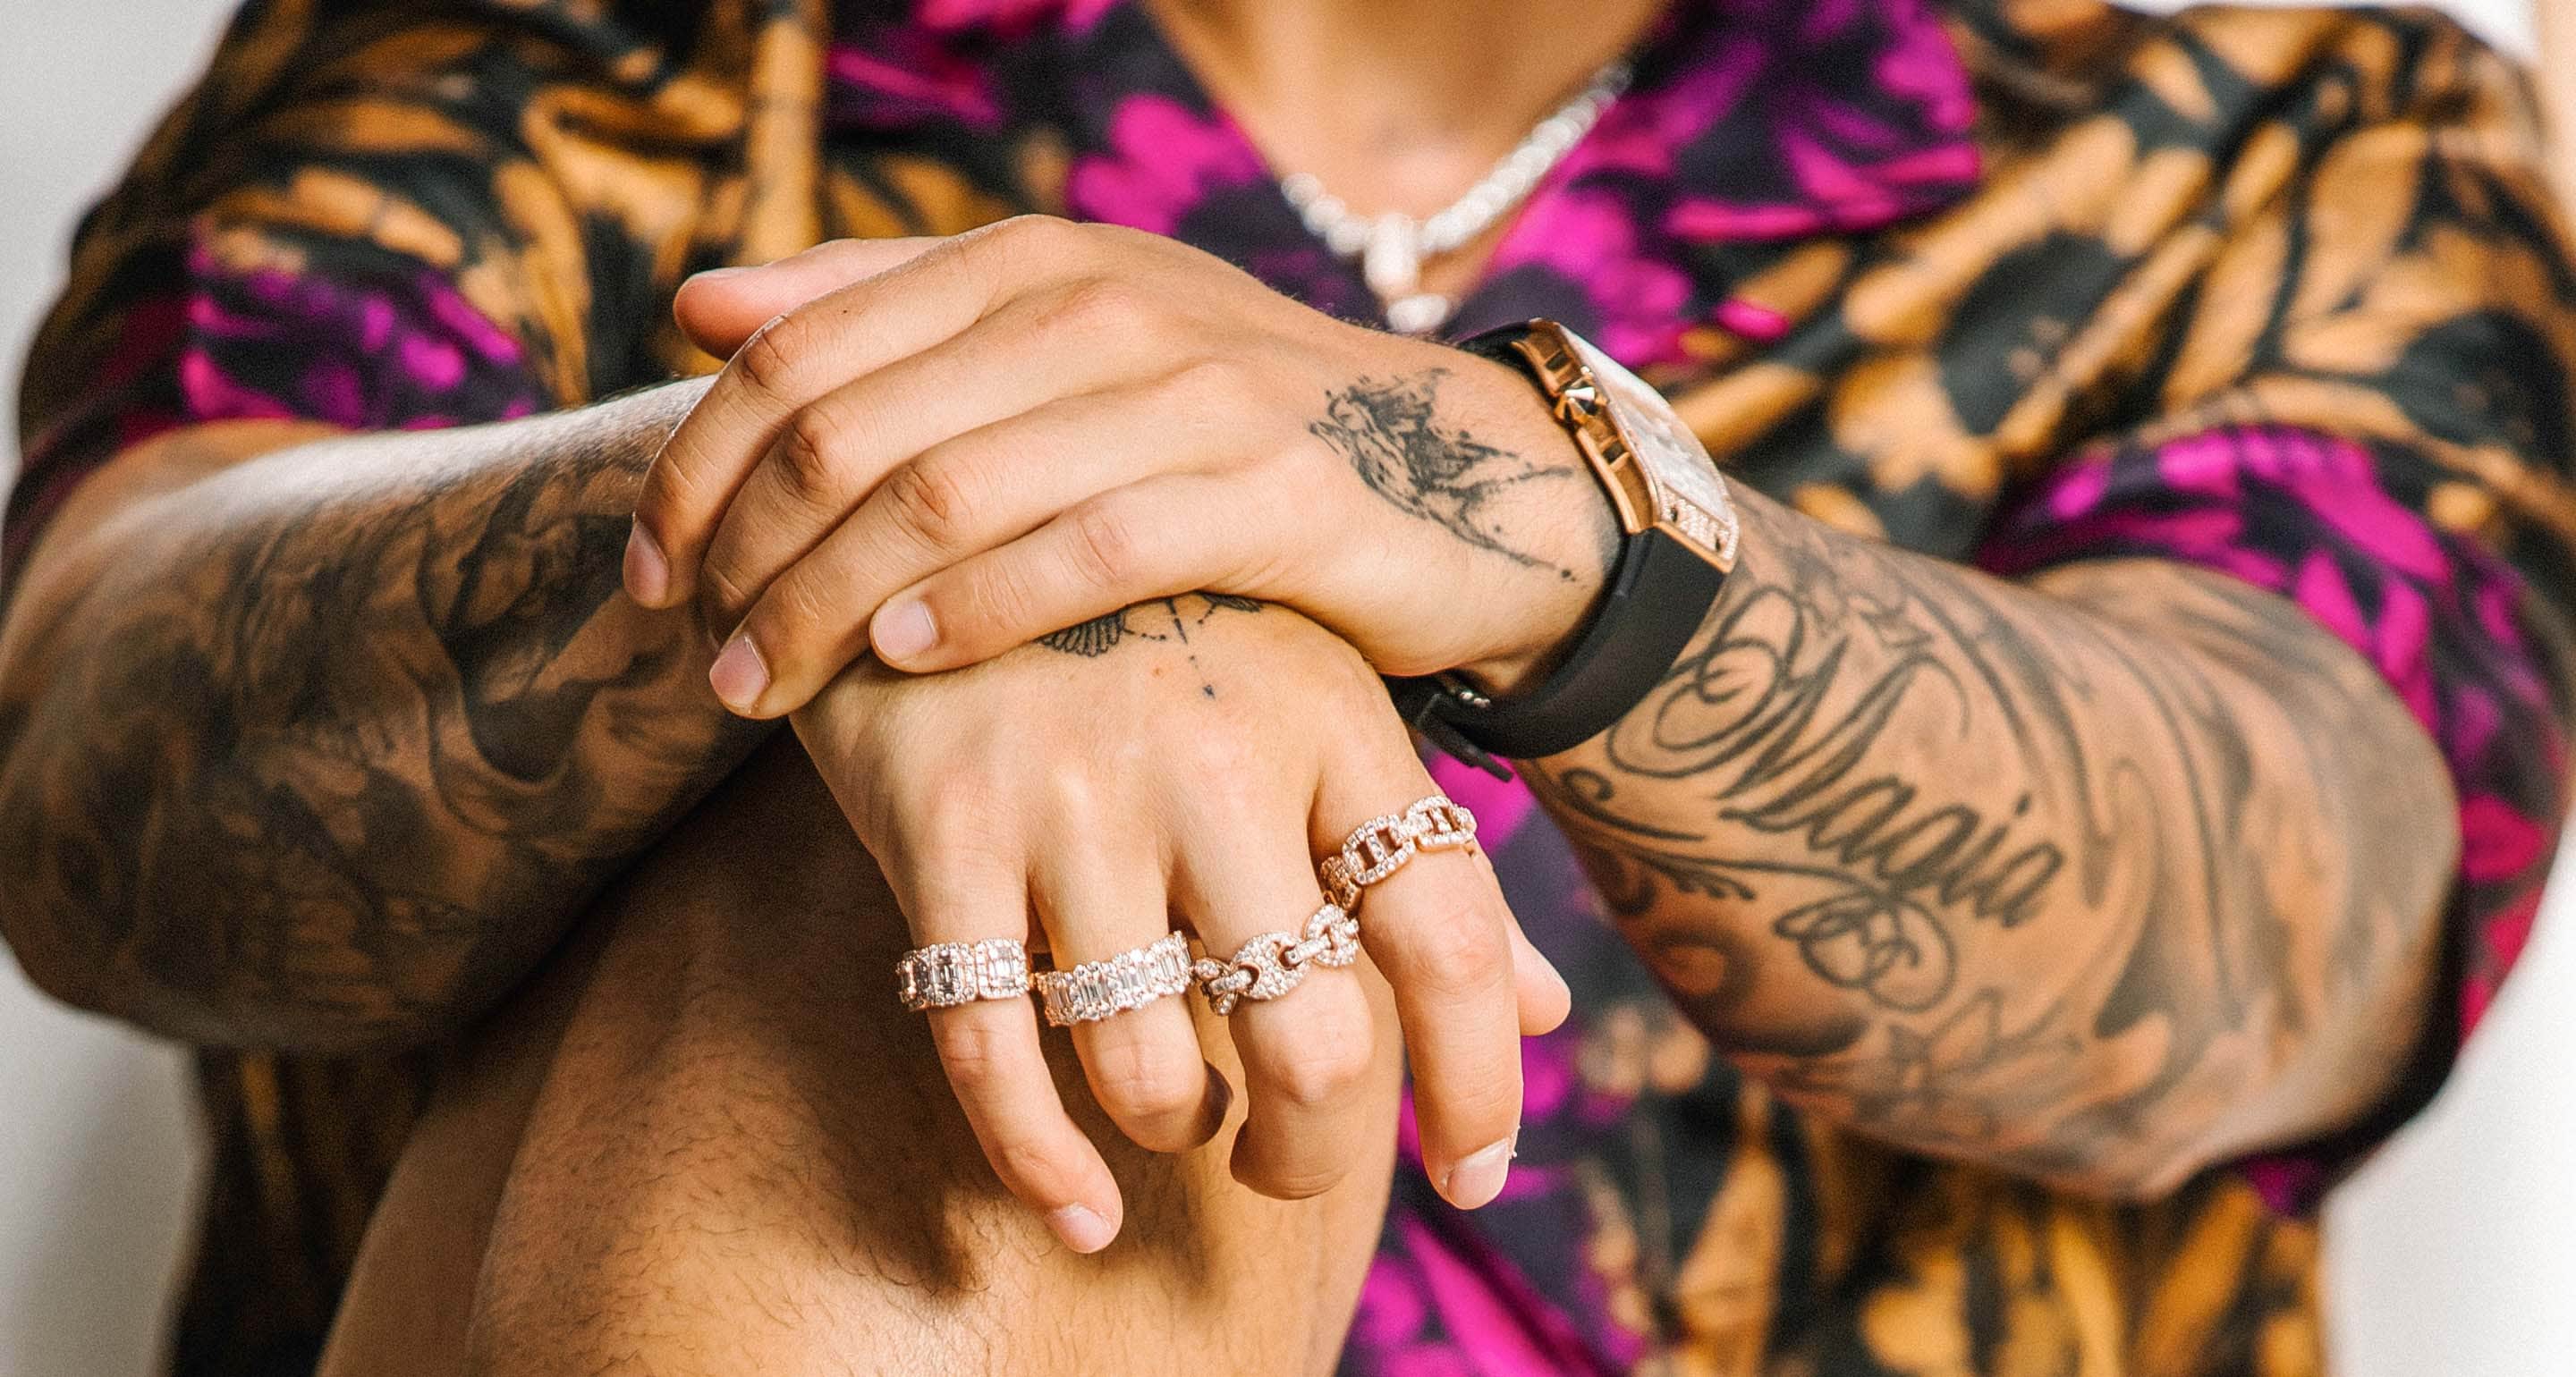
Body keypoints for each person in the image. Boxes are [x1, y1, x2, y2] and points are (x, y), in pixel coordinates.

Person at [3, 0, 2571, 1373]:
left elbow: (2291, 913)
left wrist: (1541, 515)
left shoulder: (2273, 137)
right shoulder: (580, 46)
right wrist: (876, 522)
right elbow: (84, 751)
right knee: (1009, 843)